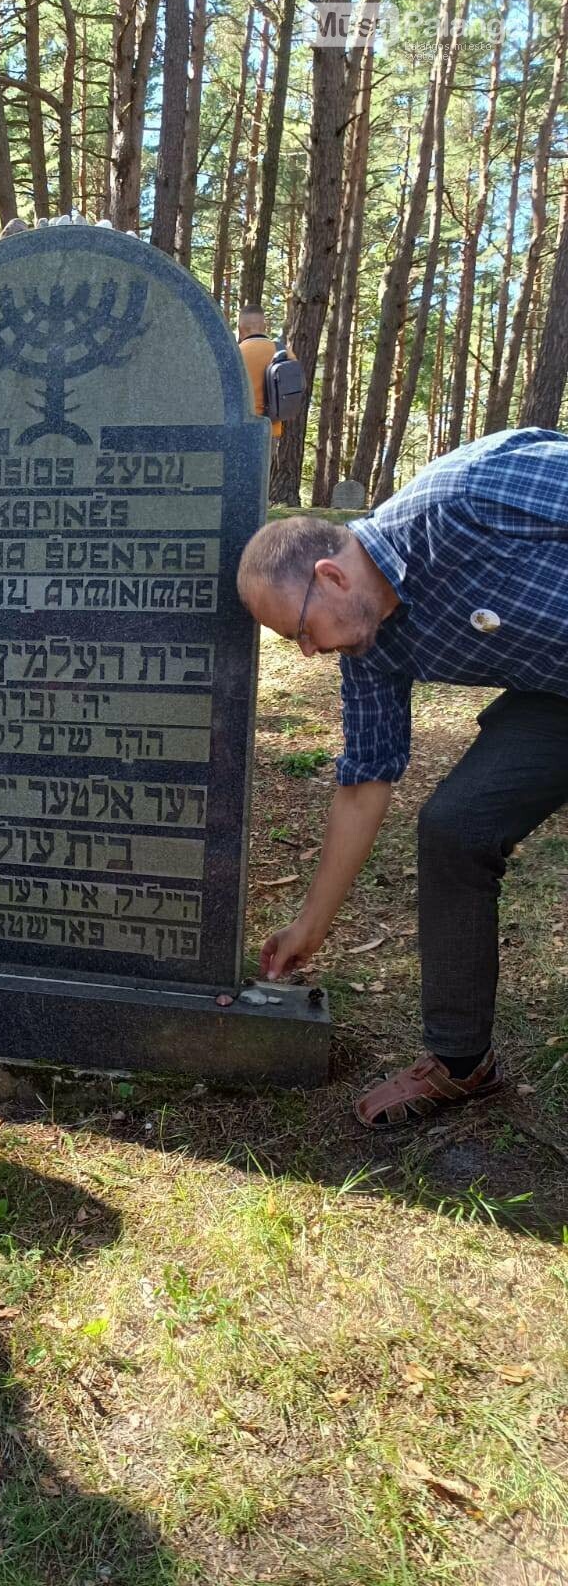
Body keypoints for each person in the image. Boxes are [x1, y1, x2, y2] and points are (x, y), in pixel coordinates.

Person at [236, 426, 568, 1129]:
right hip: (555, 700)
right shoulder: (372, 650)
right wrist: (310, 924)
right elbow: (365, 782)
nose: (306, 652)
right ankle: (460, 1063)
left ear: (330, 575)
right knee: (455, 828)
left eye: (300, 631)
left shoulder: (468, 497)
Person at [237, 305, 292, 439]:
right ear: (265, 327)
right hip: (272, 429)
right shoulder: (283, 352)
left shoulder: (235, 354)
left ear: (240, 329)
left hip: (242, 430)